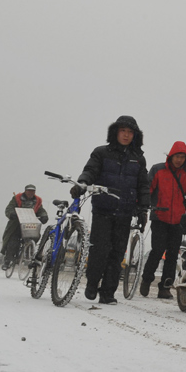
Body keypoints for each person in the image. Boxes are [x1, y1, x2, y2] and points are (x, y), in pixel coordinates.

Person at [73, 115, 150, 305]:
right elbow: (90, 171)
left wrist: (143, 209)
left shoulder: (138, 159)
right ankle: (92, 283)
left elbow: (143, 186)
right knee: (99, 250)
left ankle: (108, 292)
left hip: (125, 211)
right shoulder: (101, 153)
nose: (126, 135)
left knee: (117, 253)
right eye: (122, 131)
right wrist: (82, 183)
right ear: (115, 132)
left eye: (130, 132)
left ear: (135, 135)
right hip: (103, 209)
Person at [141, 141, 186, 299]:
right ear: (171, 156)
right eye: (177, 156)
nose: (179, 160)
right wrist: (144, 205)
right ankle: (146, 279)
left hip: (178, 221)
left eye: (182, 157)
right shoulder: (158, 170)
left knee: (173, 255)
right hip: (159, 217)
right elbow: (148, 189)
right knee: (157, 250)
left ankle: (165, 287)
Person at [0, 184, 48, 270]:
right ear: (25, 191)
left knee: (34, 237)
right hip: (16, 225)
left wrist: (44, 216)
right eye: (29, 191)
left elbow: (41, 210)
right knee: (12, 242)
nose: (31, 193)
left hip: (30, 225)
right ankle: (8, 261)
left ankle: (29, 254)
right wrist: (11, 214)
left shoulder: (37, 201)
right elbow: (9, 208)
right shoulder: (16, 198)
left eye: (32, 191)